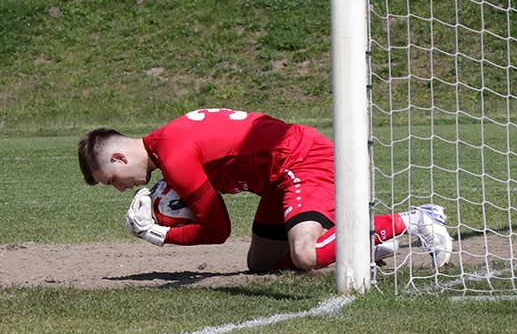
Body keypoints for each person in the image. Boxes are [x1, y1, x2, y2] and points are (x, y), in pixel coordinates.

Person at [77, 107, 453, 272]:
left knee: (304, 255)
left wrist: (160, 234)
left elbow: (218, 231)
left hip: (303, 160)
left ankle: (416, 219)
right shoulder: (168, 145)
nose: (120, 190)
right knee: (262, 265)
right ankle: (361, 243)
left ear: (120, 159)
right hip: (278, 178)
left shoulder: (173, 155)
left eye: (111, 180)